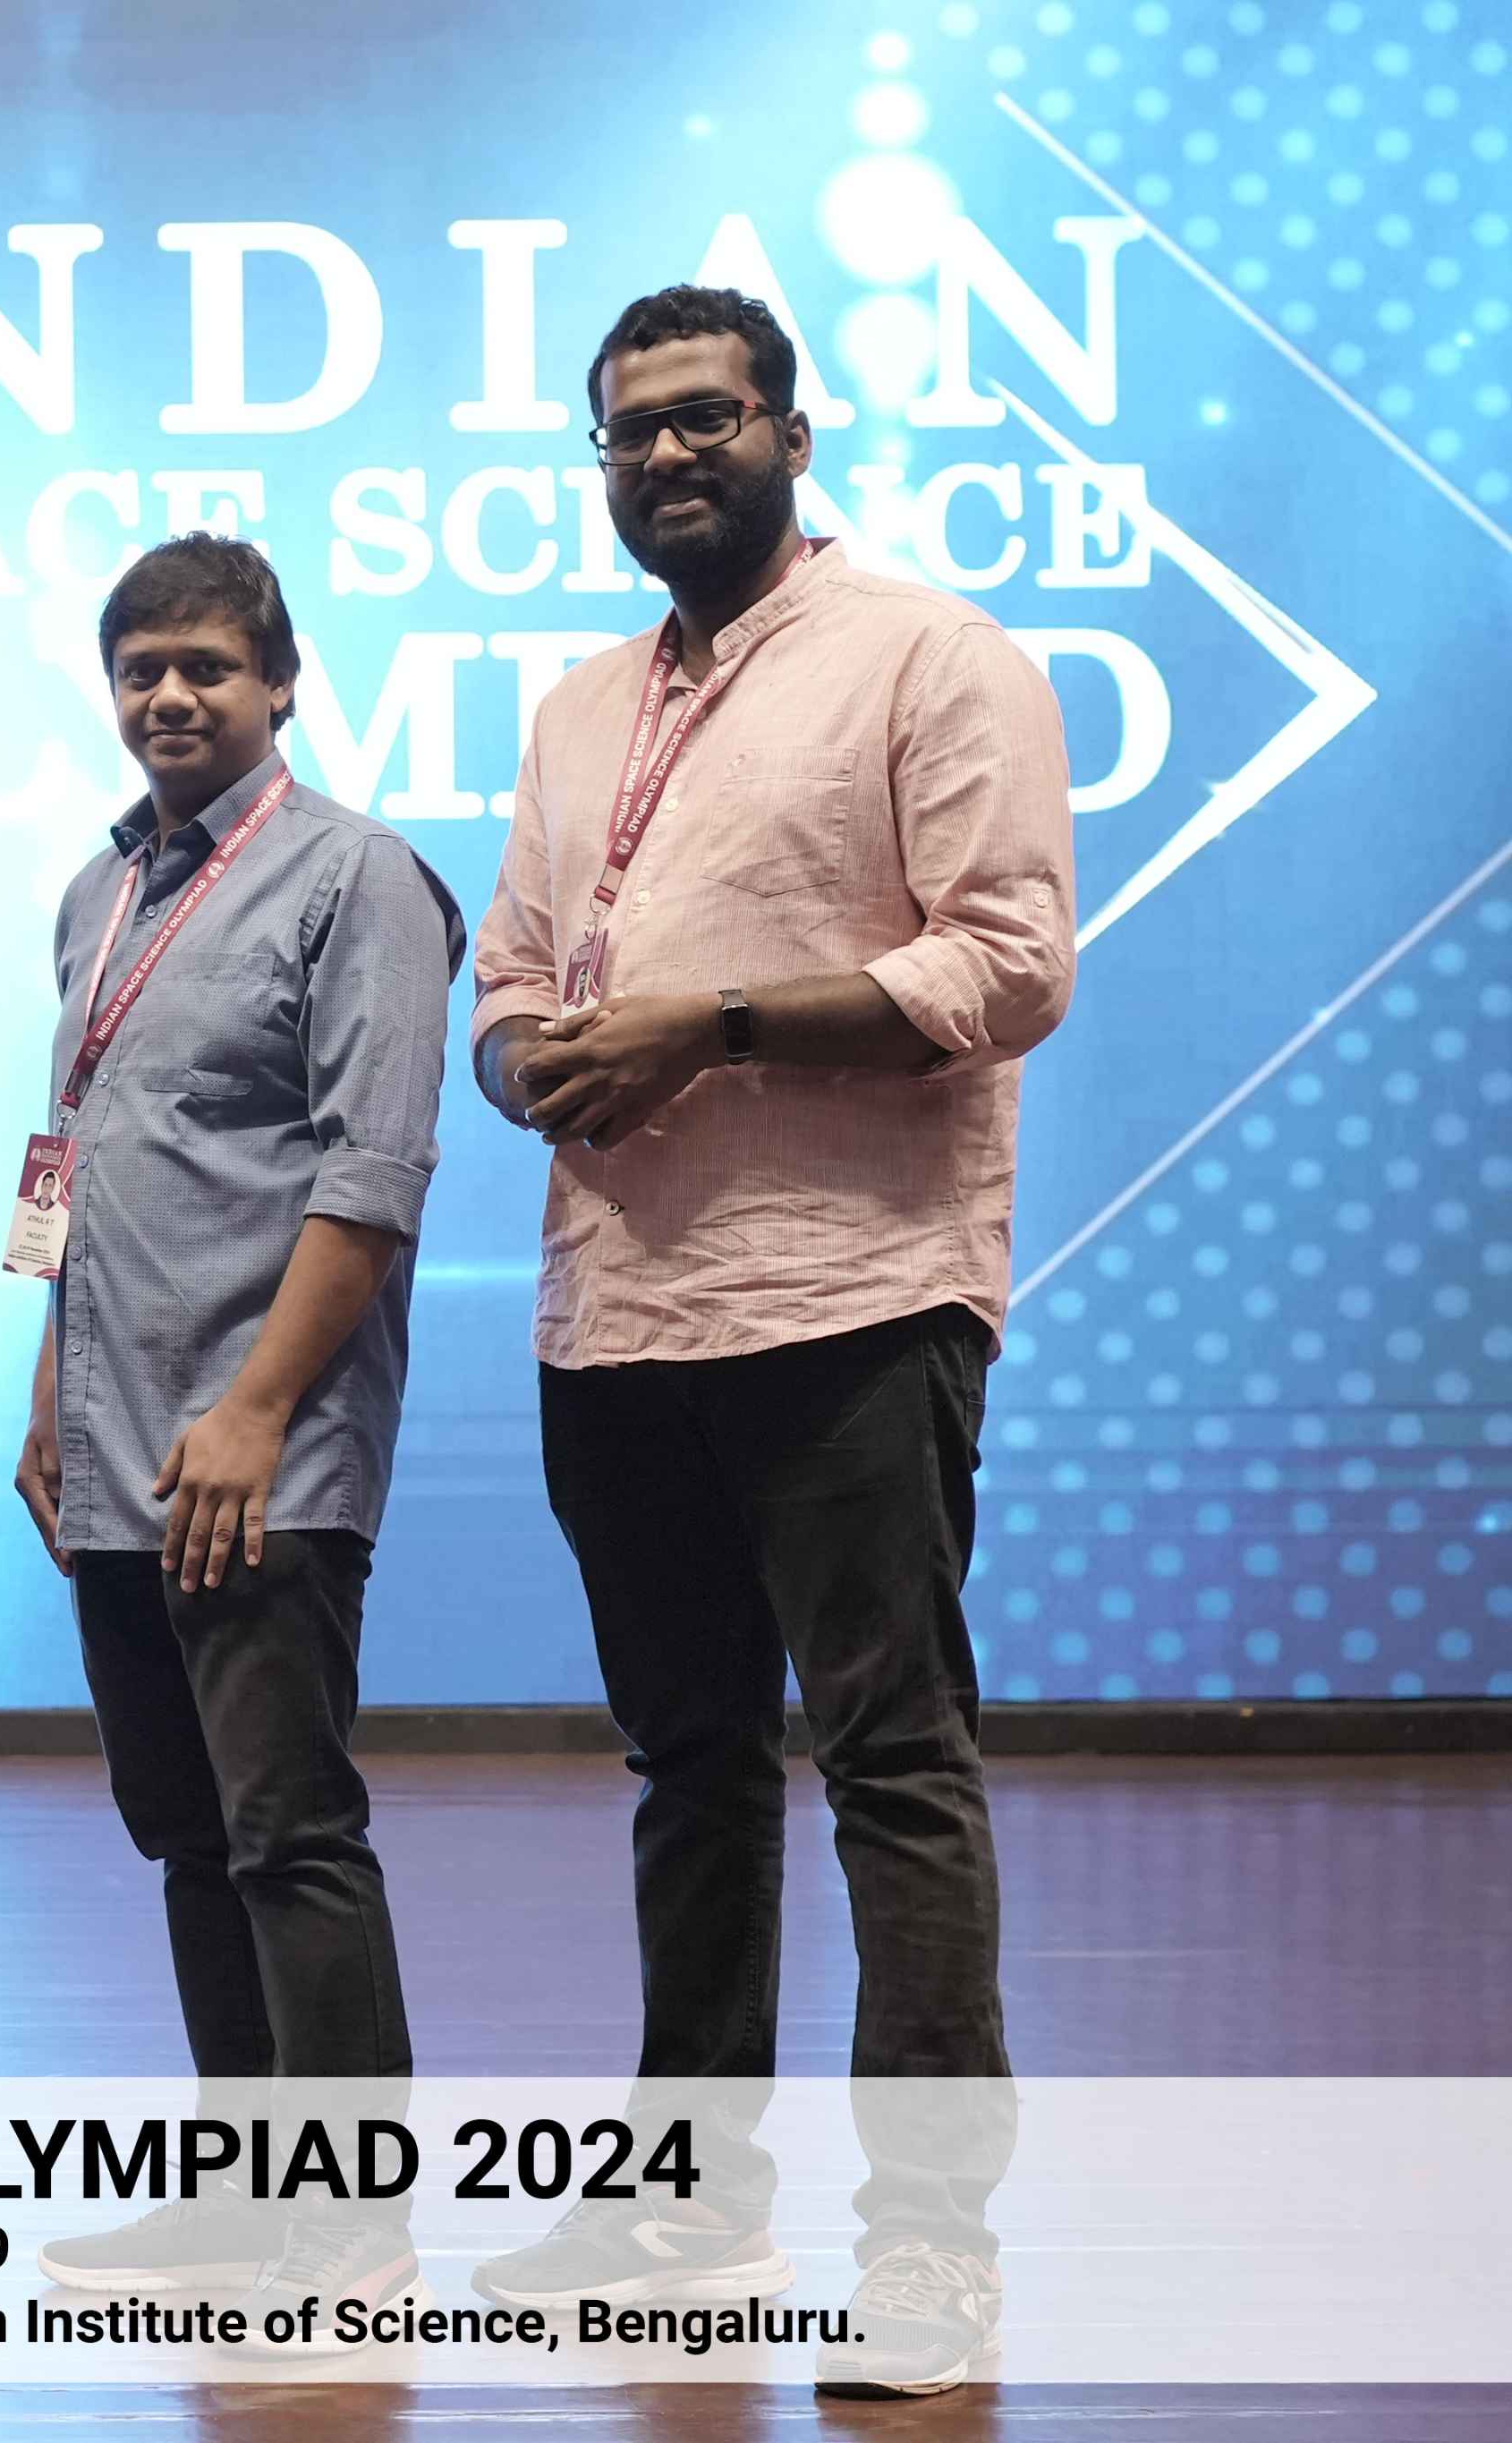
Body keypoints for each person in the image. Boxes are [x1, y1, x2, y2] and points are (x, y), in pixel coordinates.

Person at [465, 285, 1073, 2398]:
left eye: (704, 417)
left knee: (891, 1767)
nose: (665, 455)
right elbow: (510, 979)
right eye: (627, 430)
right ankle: (684, 2210)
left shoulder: (926, 656)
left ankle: (927, 2256)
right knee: (690, 1769)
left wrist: (706, 1026)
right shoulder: (572, 708)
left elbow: (1006, 967)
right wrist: (530, 1063)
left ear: (791, 438)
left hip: (850, 1297)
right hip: (616, 1310)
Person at [12, 535, 463, 2338]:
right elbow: (63, 1161)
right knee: (185, 1837)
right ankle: (241, 2195)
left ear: (282, 682)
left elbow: (376, 1172)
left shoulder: (356, 878)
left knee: (287, 1835)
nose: (170, 696)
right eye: (141, 669)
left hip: (259, 1454)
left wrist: (257, 1410)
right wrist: (44, 1383)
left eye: (205, 664)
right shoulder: (96, 893)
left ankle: (355, 2231)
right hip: (113, 1442)